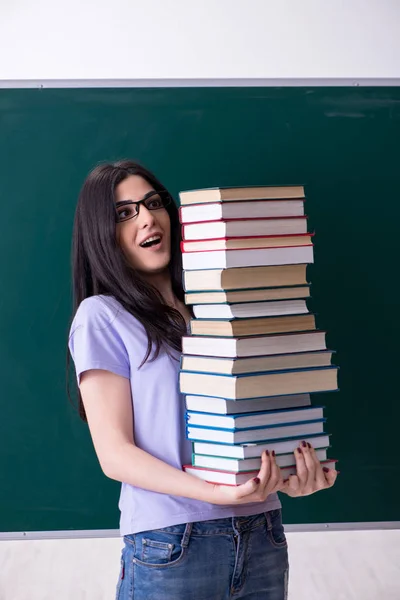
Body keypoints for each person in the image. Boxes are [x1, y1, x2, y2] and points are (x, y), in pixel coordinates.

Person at [68, 160, 337, 600]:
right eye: (125, 213)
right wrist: (217, 493)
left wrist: (292, 472)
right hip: (172, 543)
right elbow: (115, 455)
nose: (148, 218)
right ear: (103, 234)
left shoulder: (224, 308)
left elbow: (263, 418)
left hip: (262, 534)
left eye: (153, 203)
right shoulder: (102, 316)